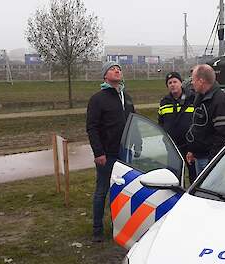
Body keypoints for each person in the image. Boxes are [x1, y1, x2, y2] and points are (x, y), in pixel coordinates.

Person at [86, 61, 137, 243]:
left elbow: (133, 122)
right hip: (107, 155)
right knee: (102, 191)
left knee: (123, 192)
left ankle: (120, 225)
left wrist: (137, 144)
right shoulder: (98, 99)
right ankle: (97, 229)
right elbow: (92, 128)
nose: (117, 70)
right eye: (112, 69)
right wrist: (98, 153)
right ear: (105, 76)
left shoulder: (127, 97)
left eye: (119, 69)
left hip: (126, 154)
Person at [186, 64, 225, 175]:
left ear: (201, 81)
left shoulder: (220, 101)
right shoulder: (200, 98)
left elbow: (222, 136)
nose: (192, 83)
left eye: (193, 79)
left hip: (209, 160)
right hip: (199, 157)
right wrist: (193, 150)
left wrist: (212, 162)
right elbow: (197, 127)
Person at [158, 72, 197, 184]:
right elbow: (160, 123)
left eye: (175, 82)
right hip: (172, 146)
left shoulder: (192, 99)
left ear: (181, 83)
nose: (172, 85)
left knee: (193, 175)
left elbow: (198, 122)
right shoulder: (164, 102)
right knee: (174, 176)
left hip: (190, 146)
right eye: (169, 83)